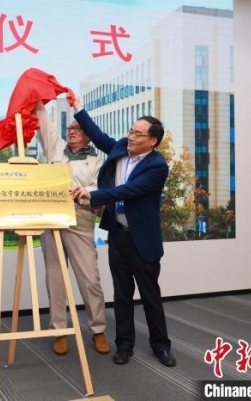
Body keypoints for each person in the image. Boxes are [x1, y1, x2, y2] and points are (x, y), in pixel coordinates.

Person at [69, 92, 176, 368]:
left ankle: (161, 346)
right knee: (122, 296)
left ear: (152, 141)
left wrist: (92, 195)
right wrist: (78, 107)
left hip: (143, 241)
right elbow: (97, 135)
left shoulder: (157, 166)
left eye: (138, 134)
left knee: (150, 297)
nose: (131, 137)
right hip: (118, 236)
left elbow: (127, 190)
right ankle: (124, 346)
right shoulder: (120, 149)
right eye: (131, 131)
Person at [33, 101, 110, 356]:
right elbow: (44, 123)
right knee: (55, 279)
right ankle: (59, 330)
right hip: (52, 222)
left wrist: (84, 191)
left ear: (88, 134)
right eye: (70, 128)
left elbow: (101, 190)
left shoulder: (97, 161)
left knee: (90, 280)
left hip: (80, 220)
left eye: (78, 128)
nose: (72, 131)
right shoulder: (55, 149)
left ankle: (98, 330)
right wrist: (37, 98)